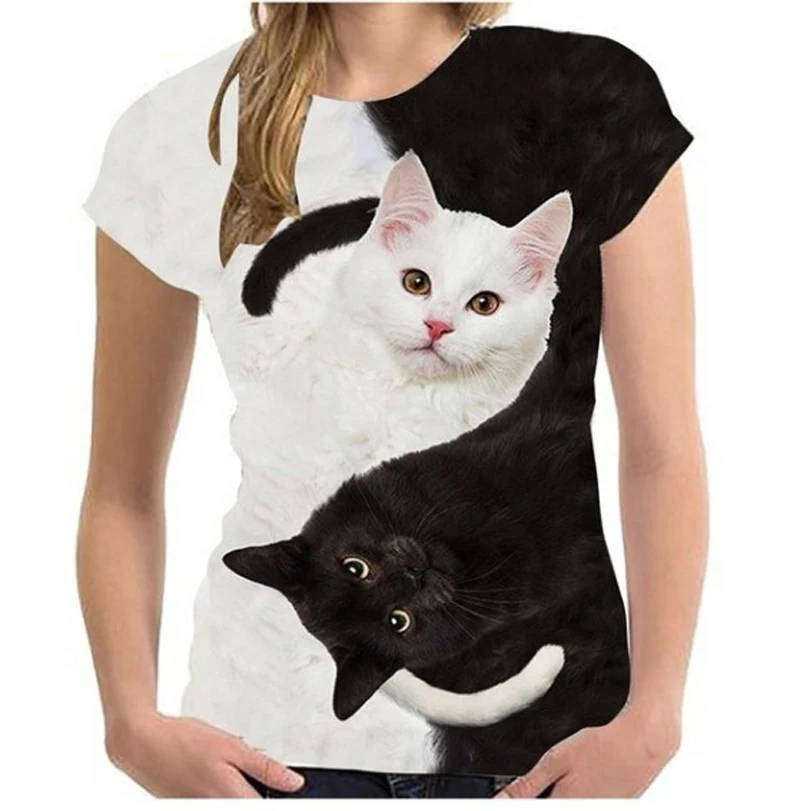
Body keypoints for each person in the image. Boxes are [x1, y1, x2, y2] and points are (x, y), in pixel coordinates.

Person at [78, 2, 708, 799]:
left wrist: (653, 716)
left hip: (545, 757)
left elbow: (661, 450)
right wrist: (129, 719)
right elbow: (122, 488)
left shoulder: (589, 95)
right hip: (263, 752)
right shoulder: (176, 131)